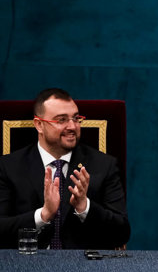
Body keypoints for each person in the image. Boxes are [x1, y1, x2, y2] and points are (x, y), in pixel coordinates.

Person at [0, 88, 130, 249]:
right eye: (61, 120)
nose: (72, 126)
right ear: (39, 125)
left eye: (76, 118)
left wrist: (85, 207)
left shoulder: (104, 165)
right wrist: (43, 215)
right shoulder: (8, 166)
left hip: (85, 263)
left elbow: (122, 232)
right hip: (28, 261)